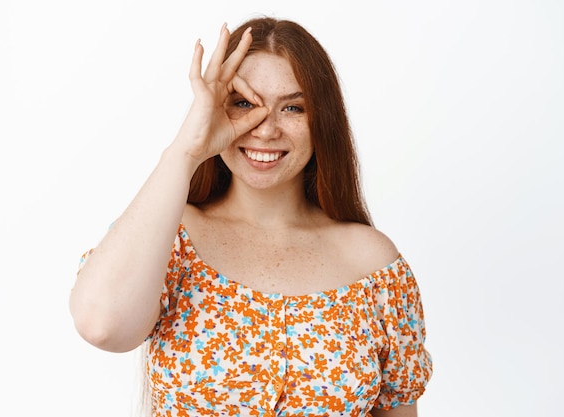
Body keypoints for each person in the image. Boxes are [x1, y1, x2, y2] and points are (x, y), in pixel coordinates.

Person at [70, 17, 432, 417]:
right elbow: (101, 325)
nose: (266, 129)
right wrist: (186, 151)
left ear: (321, 121)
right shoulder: (172, 238)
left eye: (292, 107)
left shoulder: (374, 268)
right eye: (244, 103)